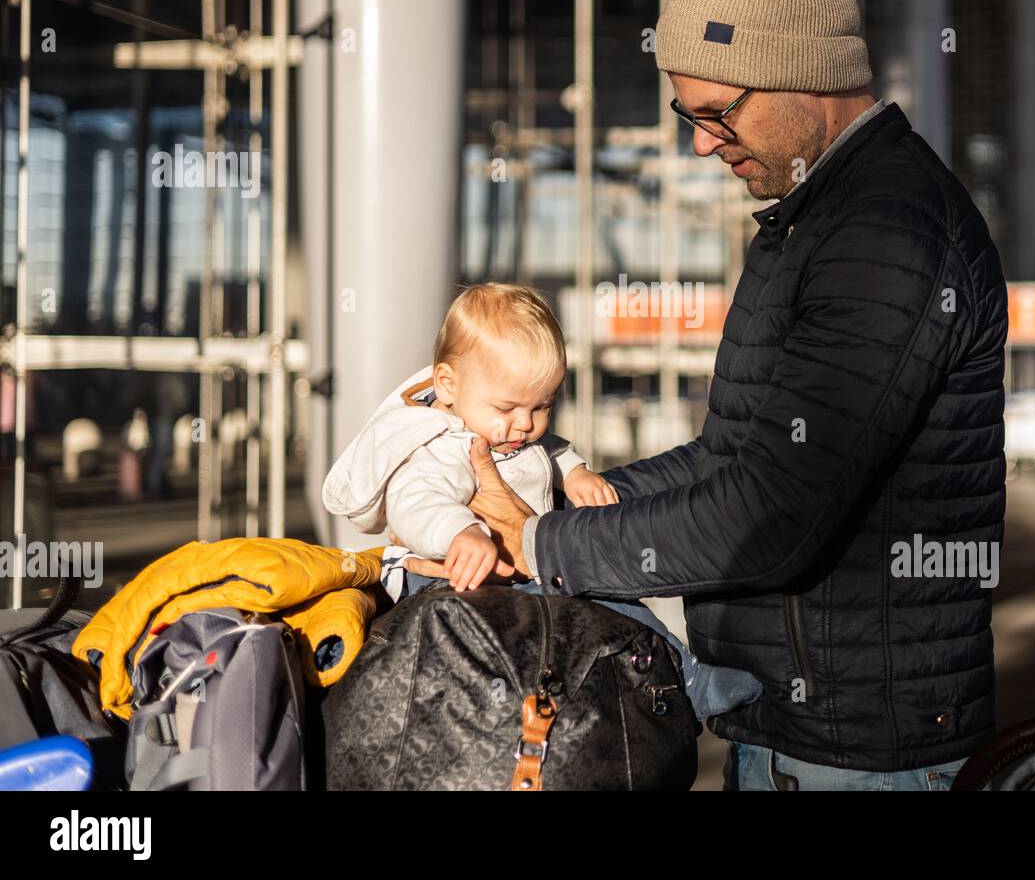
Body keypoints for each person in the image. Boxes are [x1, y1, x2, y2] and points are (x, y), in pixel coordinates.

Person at [457, 0, 1009, 791]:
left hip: (862, 760)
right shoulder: (809, 224)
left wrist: (548, 544)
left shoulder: (887, 236)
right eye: (688, 114)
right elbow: (734, 457)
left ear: (806, 77)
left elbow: (772, 514)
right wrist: (561, 488)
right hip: (792, 730)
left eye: (717, 112)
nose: (701, 143)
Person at [321, 282, 762, 720]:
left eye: (542, 407)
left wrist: (575, 473)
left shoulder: (507, 429)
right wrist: (462, 532)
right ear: (448, 384)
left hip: (524, 571)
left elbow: (547, 449)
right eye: (509, 408)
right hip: (450, 579)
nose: (524, 425)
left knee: (619, 607)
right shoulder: (438, 443)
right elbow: (417, 502)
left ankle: (687, 679)